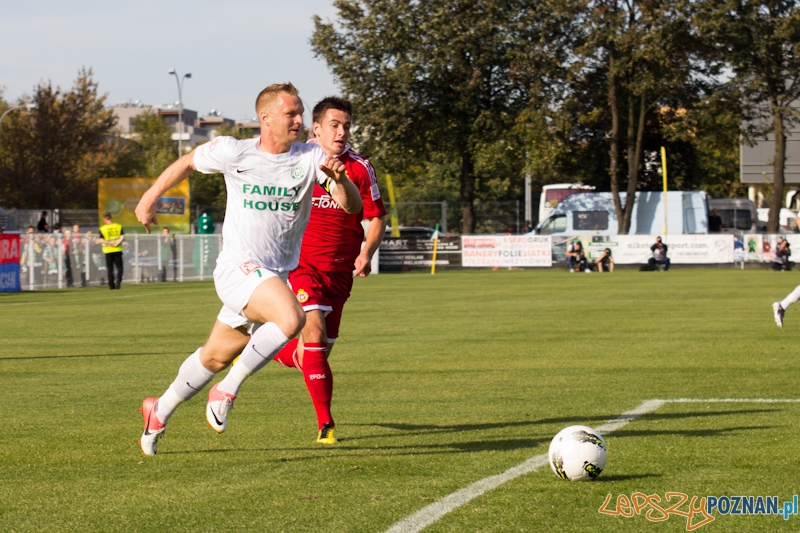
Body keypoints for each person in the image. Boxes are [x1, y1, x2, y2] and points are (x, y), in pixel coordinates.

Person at [135, 83, 363, 456]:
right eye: (291, 114)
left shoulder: (310, 157)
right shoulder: (233, 151)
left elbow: (352, 206)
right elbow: (188, 161)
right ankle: (227, 390)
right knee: (292, 319)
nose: (299, 120)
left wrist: (340, 181)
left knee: (214, 357)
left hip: (271, 278)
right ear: (265, 118)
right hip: (237, 268)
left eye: (300, 113)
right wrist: (149, 197)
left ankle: (158, 411)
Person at [269, 96, 386, 444]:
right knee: (316, 336)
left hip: (340, 274)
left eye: (346, 126)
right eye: (334, 125)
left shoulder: (360, 167)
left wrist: (366, 252)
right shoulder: (295, 160)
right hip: (301, 266)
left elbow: (377, 217)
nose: (342, 132)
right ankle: (326, 425)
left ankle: (262, 349)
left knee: (311, 355)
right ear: (316, 128)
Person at [97, 212, 125, 289]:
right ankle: (118, 280)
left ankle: (111, 285)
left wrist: (109, 243)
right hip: (117, 249)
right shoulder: (118, 226)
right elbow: (122, 237)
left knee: (110, 269)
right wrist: (116, 243)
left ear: (104, 219)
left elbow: (101, 240)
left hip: (108, 250)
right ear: (110, 217)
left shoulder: (103, 228)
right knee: (120, 267)